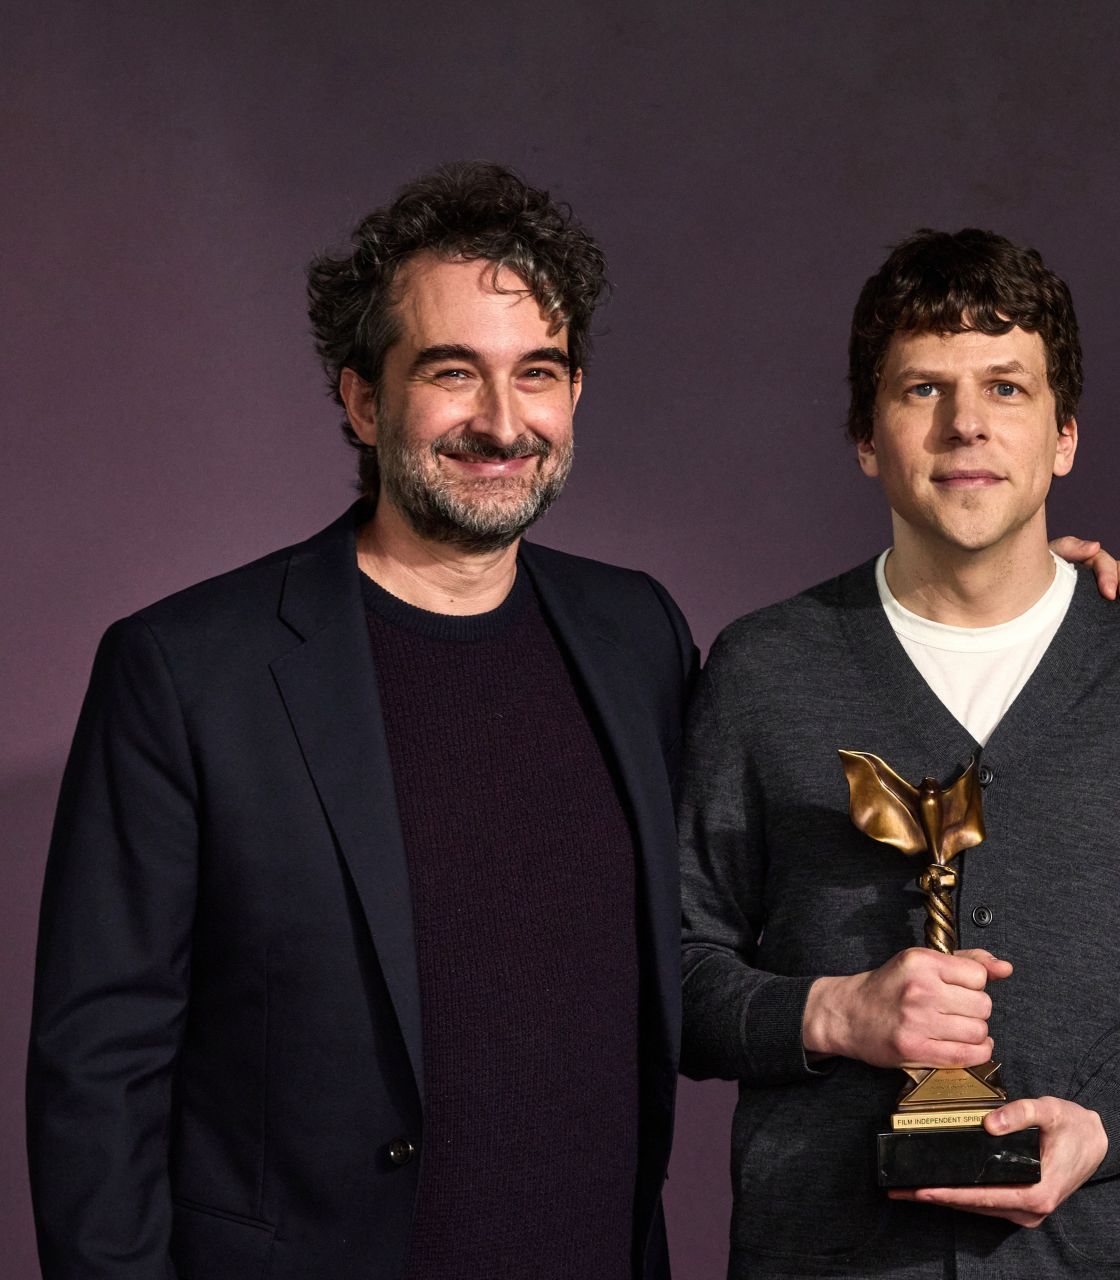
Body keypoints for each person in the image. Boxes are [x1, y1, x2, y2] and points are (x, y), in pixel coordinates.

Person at [24, 161, 693, 1279]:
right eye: (452, 371)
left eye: (537, 372)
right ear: (363, 400)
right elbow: (97, 1073)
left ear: (574, 392)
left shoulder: (640, 636)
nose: (502, 421)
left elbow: (715, 944)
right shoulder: (186, 671)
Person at [679, 228, 1120, 1278]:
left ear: (1064, 436)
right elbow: (670, 972)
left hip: (1099, 1259)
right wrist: (831, 1011)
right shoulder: (764, 669)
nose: (967, 422)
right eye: (924, 388)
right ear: (867, 438)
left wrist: (1111, 1126)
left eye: (1006, 387)